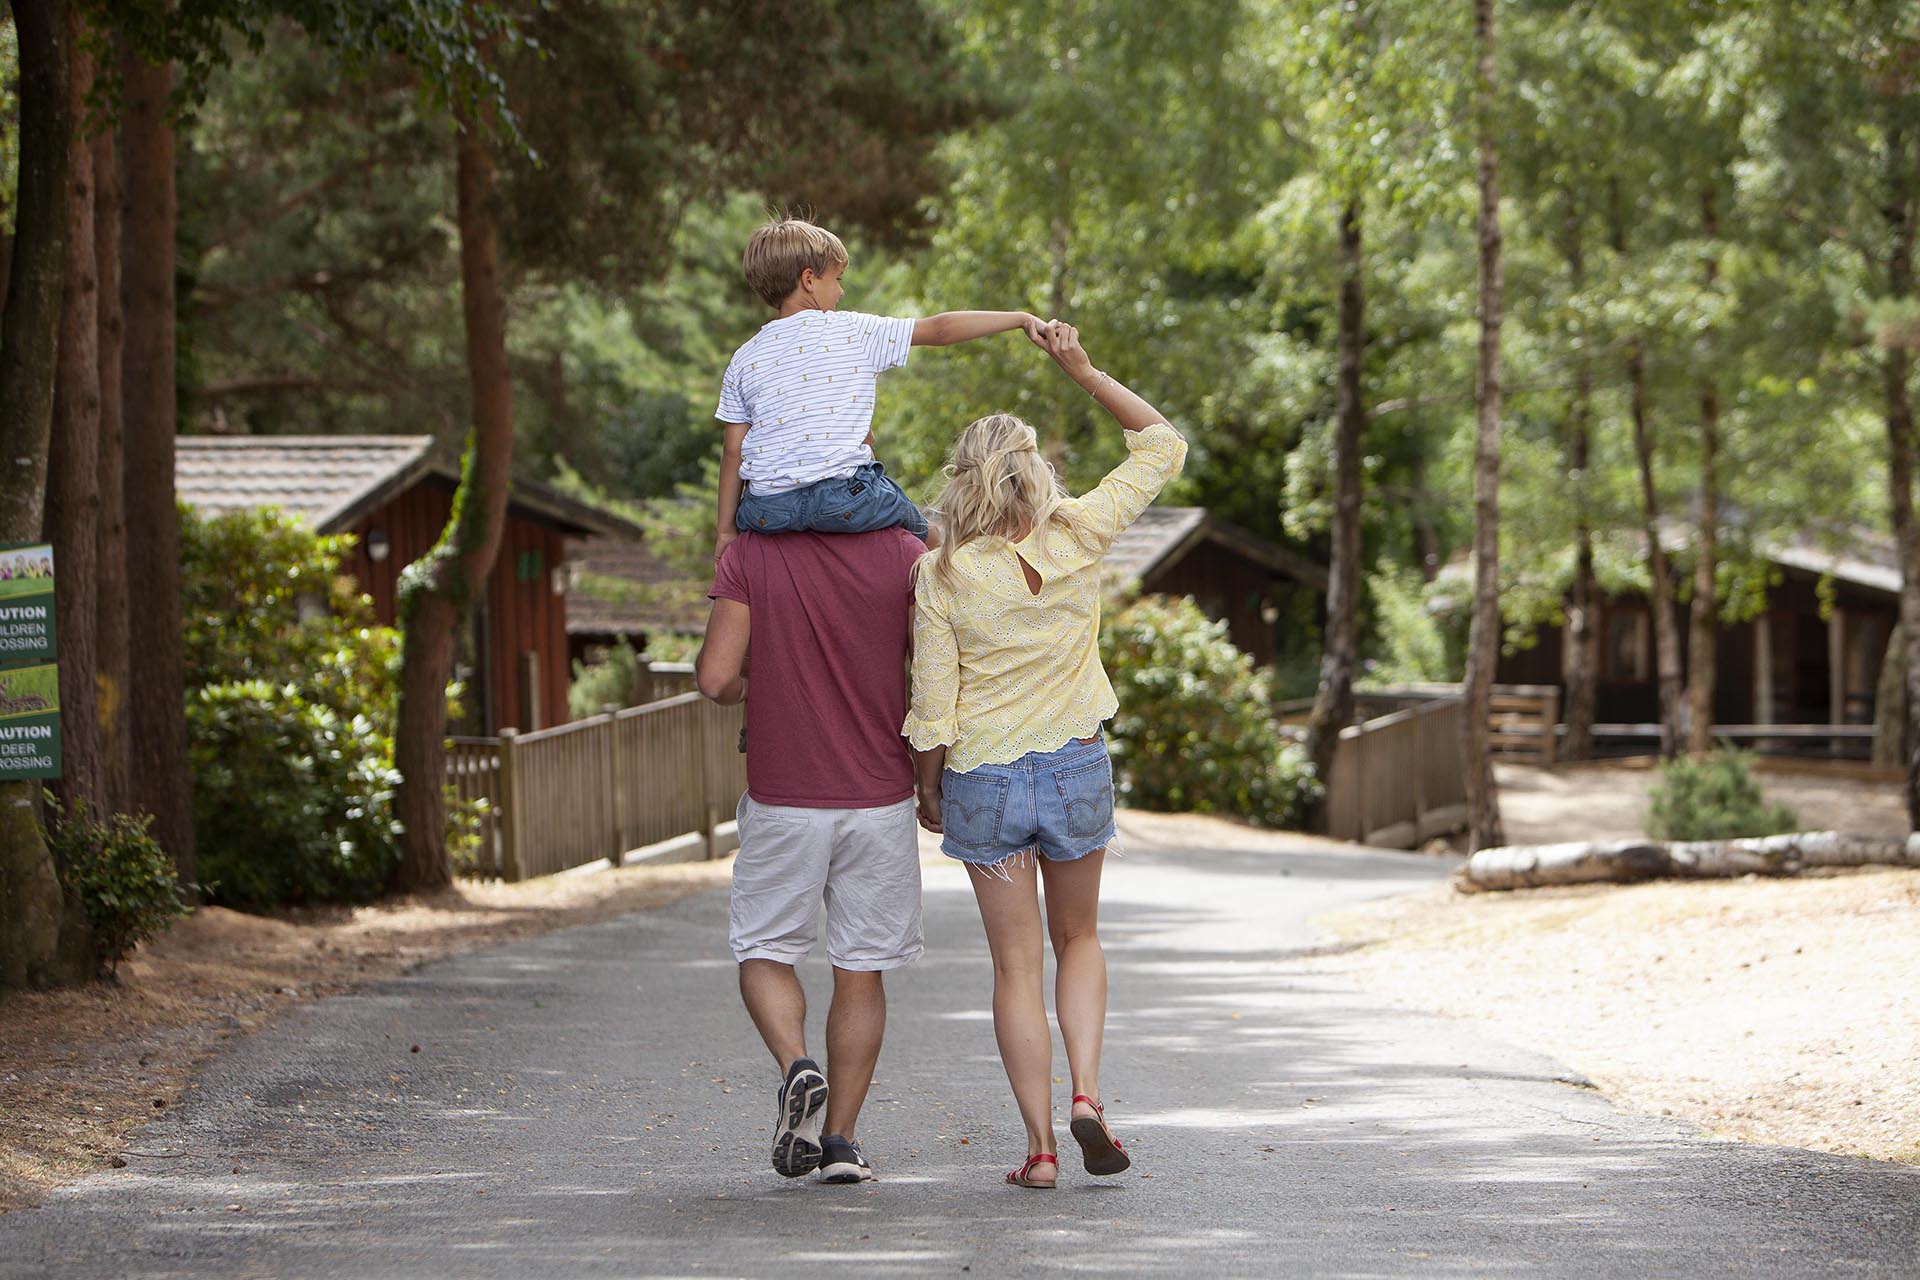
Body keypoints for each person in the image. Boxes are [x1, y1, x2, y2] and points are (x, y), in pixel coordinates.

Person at [904, 324, 1187, 1189]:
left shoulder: (942, 572)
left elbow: (932, 701)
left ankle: (1038, 1150)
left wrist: (928, 788)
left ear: (963, 484)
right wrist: (1084, 370)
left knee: (1015, 968)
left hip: (983, 779)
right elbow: (1162, 445)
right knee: (1082, 937)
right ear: (1035, 473)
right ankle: (1090, 1096)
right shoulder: (1077, 534)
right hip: (1073, 767)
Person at [695, 519, 927, 1184]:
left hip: (783, 798)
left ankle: (799, 1066)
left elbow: (715, 679)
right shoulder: (908, 554)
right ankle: (841, 1145)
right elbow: (935, 669)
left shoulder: (752, 554)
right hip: (879, 797)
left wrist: (757, 685)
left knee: (765, 948)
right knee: (861, 969)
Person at [713, 214, 1048, 561]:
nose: (841, 291)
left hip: (766, 509)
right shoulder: (851, 330)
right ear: (809, 280)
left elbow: (733, 451)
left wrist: (725, 531)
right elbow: (942, 330)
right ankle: (968, 575)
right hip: (844, 499)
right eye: (837, 278)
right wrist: (1019, 318)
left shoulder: (743, 357)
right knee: (930, 535)